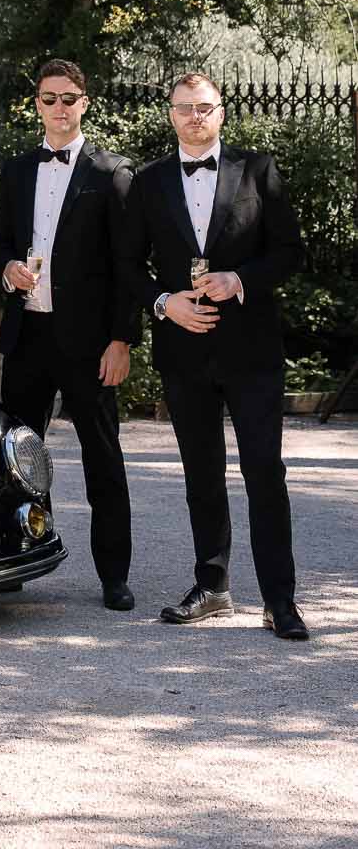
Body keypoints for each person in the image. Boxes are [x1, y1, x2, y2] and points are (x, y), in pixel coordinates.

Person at [121, 70, 308, 641]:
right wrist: (164, 303)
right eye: (184, 107)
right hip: (183, 350)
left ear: (221, 112)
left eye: (204, 107)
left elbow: (290, 251)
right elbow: (125, 266)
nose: (194, 116)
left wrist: (240, 279)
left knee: (264, 472)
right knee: (201, 474)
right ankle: (212, 586)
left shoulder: (258, 170)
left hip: (252, 351)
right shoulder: (148, 181)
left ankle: (280, 600)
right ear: (170, 114)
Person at [0, 58, 138, 611]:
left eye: (68, 98)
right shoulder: (16, 171)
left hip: (90, 344)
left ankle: (114, 576)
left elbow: (128, 267)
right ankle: (15, 562)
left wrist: (121, 340)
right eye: (49, 98)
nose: (59, 107)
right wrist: (9, 269)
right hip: (28, 335)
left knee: (103, 460)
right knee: (16, 457)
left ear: (84, 103)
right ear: (37, 104)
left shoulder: (112, 173)